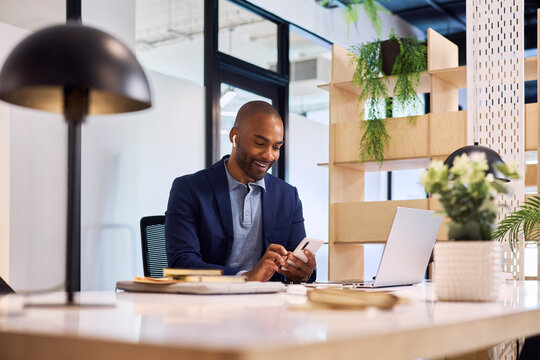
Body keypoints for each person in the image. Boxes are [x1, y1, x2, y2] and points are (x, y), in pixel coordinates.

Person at [165, 100, 316, 282]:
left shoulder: (288, 196)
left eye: (276, 147)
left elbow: (301, 266)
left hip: (270, 305)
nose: (269, 155)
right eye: (260, 143)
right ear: (234, 136)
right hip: (209, 304)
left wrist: (303, 272)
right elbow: (181, 264)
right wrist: (244, 278)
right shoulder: (190, 189)